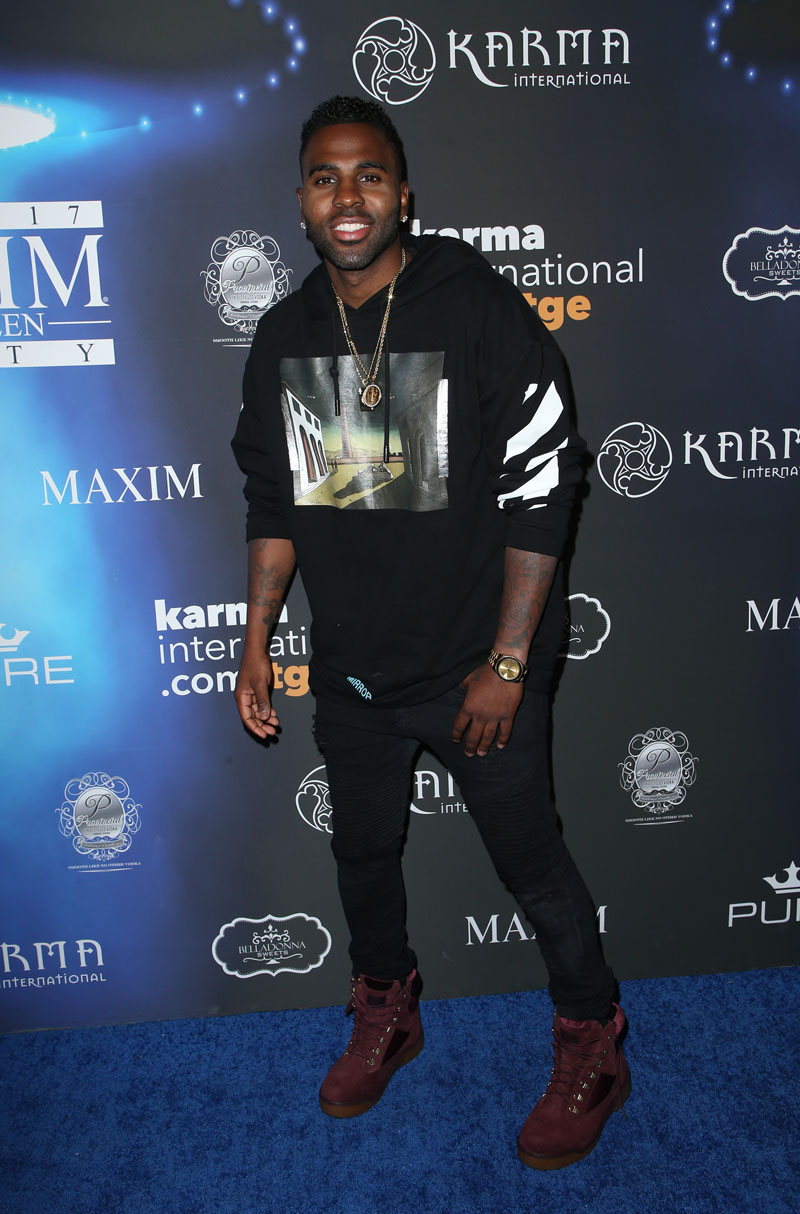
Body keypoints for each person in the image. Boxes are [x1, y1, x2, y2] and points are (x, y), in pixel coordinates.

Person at [232, 95, 629, 1170]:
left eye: (368, 175)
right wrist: (257, 636)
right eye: (325, 177)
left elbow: (544, 489)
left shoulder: (475, 306)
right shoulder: (284, 336)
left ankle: (593, 1039)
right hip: (354, 671)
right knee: (362, 854)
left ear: (403, 195)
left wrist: (508, 663)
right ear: (301, 201)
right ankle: (386, 1009)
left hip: (476, 668)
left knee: (532, 865)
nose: (347, 196)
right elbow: (273, 500)